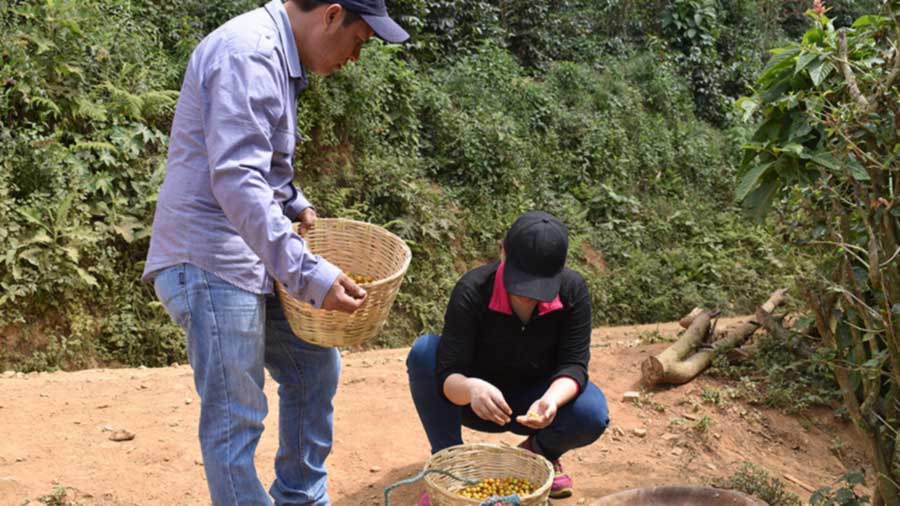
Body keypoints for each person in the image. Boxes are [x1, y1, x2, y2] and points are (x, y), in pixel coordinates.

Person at [142, 1, 408, 505]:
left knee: (314, 369)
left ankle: (301, 498)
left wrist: (295, 203)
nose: (355, 57)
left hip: (252, 256)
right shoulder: (249, 53)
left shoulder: (278, 60)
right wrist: (313, 274)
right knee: (236, 414)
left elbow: (260, 165)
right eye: (359, 42)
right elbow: (239, 180)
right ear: (332, 15)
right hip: (210, 259)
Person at [406, 211, 610, 504]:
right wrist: (473, 388)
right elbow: (448, 372)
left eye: (538, 287)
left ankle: (539, 453)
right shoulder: (472, 290)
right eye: (520, 282)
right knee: (424, 353)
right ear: (502, 252)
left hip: (534, 407)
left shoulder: (572, 291)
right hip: (476, 403)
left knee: (592, 412)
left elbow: (574, 364)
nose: (527, 296)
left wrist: (551, 400)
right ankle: (448, 469)